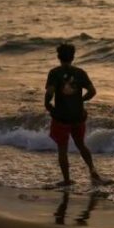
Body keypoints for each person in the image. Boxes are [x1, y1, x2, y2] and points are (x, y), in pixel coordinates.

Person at [45, 43, 100, 186]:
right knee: (81, 144)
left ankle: (67, 179)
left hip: (62, 117)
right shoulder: (80, 72)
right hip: (78, 116)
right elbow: (92, 91)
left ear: (58, 57)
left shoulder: (54, 73)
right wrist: (81, 100)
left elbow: (50, 92)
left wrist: (48, 105)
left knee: (62, 149)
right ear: (73, 57)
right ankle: (92, 170)